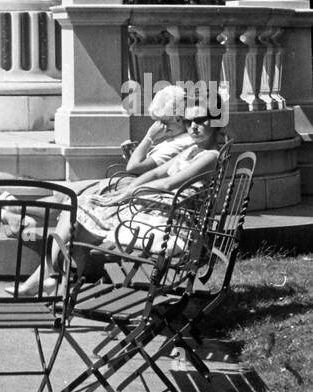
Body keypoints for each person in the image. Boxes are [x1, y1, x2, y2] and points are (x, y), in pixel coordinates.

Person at [13, 104, 227, 295]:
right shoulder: (193, 149)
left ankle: (53, 278)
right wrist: (130, 188)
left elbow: (168, 184)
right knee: (77, 220)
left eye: (200, 121)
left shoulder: (210, 155)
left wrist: (128, 193)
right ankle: (58, 287)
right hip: (156, 210)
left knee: (78, 211)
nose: (193, 127)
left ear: (216, 122)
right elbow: (156, 174)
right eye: (189, 122)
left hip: (169, 224)